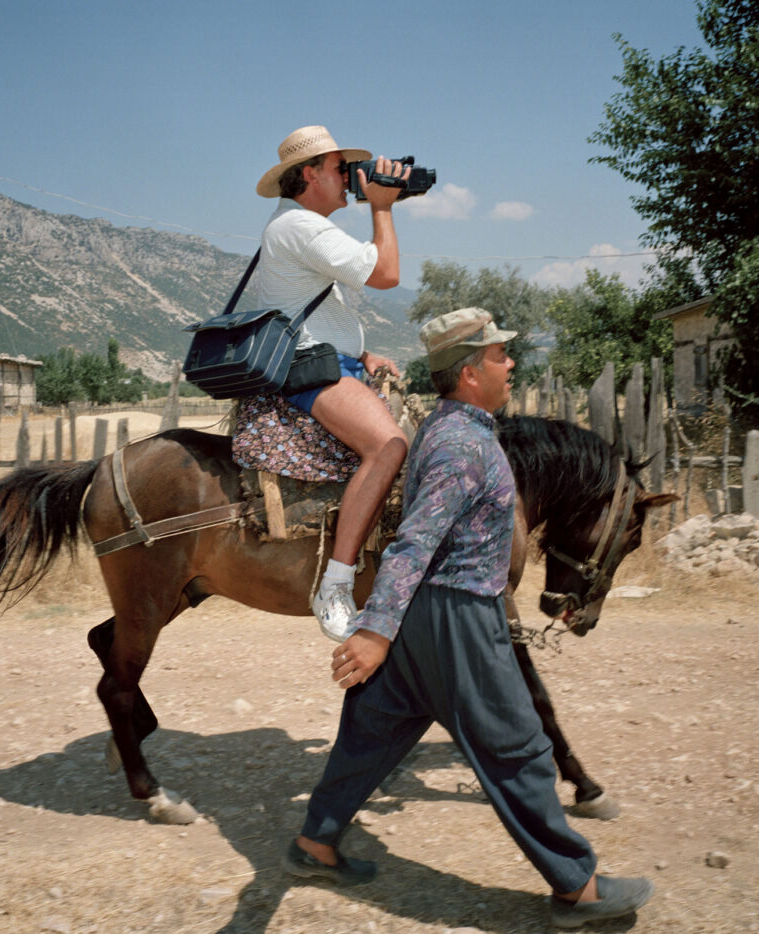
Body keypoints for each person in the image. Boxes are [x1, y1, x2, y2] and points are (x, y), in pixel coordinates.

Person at [281, 308, 655, 929]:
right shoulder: (461, 444)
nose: (510, 363)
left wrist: (388, 626)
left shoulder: (453, 427)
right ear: (470, 372)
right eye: (499, 355)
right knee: (518, 749)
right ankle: (578, 889)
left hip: (423, 614)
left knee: (375, 728)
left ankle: (315, 842)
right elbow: (414, 541)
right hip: (457, 611)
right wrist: (374, 632)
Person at [256, 125, 410, 642]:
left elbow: (304, 308)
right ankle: (337, 584)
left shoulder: (300, 226)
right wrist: (383, 206)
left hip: (329, 360)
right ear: (308, 174)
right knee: (389, 445)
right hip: (310, 367)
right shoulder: (301, 227)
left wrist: (362, 353)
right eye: (340, 168)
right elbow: (385, 273)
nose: (351, 177)